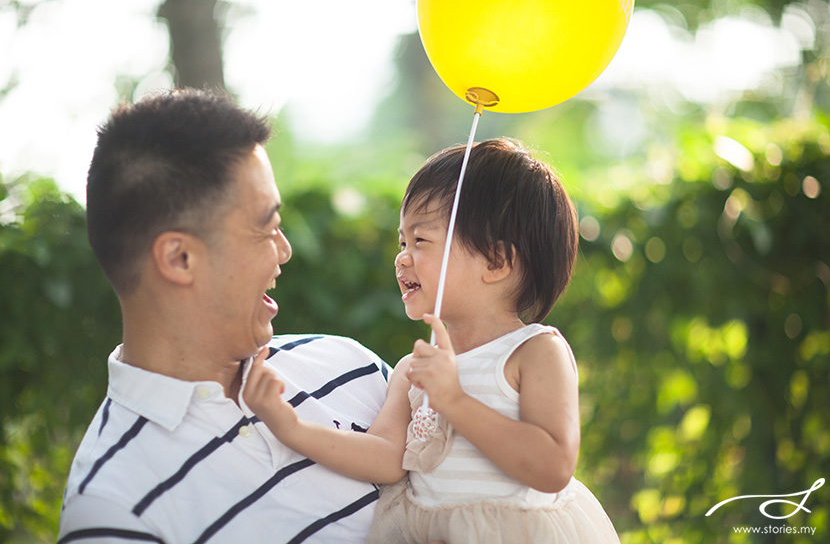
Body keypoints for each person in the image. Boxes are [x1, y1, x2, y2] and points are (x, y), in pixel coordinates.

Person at [244, 138, 621, 543]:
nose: (401, 257)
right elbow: (386, 459)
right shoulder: (413, 370)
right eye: (401, 242)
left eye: (420, 241)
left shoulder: (533, 353)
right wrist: (294, 429)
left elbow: (553, 466)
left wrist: (455, 401)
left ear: (496, 261)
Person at [58, 89, 391, 543]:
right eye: (266, 227)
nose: (285, 250)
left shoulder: (354, 369)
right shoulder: (114, 509)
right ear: (179, 259)